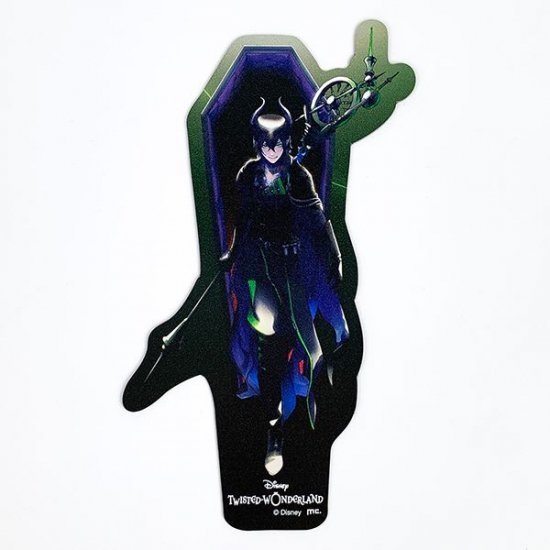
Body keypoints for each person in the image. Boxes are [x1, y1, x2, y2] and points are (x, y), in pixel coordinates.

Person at [222, 97, 349, 476]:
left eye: (278, 142)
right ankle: (273, 427)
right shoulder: (248, 175)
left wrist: (334, 258)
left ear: (288, 141)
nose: (272, 149)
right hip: (259, 268)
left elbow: (319, 223)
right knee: (266, 331)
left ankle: (317, 397)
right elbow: (242, 220)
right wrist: (231, 254)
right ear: (256, 142)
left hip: (294, 267)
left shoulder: (298, 176)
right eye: (266, 142)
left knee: (307, 340)